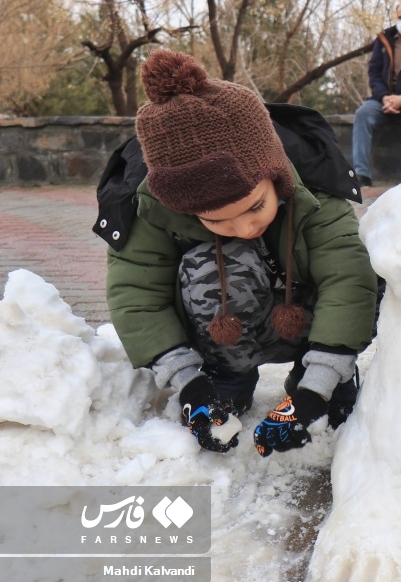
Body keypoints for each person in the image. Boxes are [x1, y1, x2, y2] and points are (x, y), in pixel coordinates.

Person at [94, 49, 378, 456]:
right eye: (217, 221)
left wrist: (316, 389)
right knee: (216, 264)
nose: (244, 228)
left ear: (274, 170)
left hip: (306, 318)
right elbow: (137, 297)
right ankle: (228, 375)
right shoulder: (150, 208)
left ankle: (322, 375)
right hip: (223, 329)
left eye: (255, 207)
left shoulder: (313, 186)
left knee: (375, 263)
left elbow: (348, 279)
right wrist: (189, 385)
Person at [352, 0, 401, 186]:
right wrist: (384, 96)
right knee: (362, 114)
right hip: (384, 98)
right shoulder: (383, 39)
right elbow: (374, 71)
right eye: (400, 17)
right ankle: (361, 174)